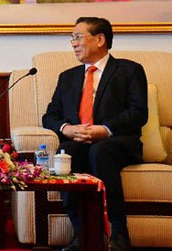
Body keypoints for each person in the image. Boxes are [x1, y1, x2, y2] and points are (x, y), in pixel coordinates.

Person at [42, 17, 148, 251]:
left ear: (100, 39)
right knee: (65, 153)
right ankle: (81, 232)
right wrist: (67, 129)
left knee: (100, 150)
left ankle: (118, 233)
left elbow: (139, 113)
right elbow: (50, 116)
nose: (73, 43)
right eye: (72, 39)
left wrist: (105, 129)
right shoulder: (67, 77)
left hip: (117, 142)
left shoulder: (129, 70)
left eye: (78, 37)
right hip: (78, 141)